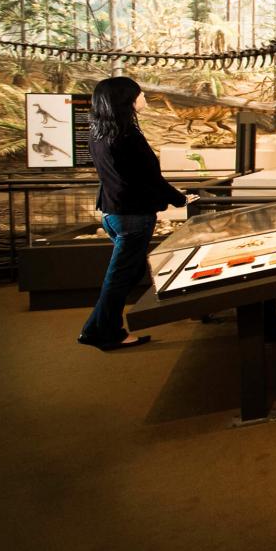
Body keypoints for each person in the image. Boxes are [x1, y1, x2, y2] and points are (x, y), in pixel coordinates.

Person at [78, 76, 191, 351]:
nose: (144, 99)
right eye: (140, 95)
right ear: (126, 100)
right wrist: (179, 199)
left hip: (112, 213)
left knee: (125, 273)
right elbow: (149, 178)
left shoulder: (99, 133)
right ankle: (107, 333)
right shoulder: (128, 136)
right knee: (120, 277)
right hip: (131, 216)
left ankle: (95, 329)